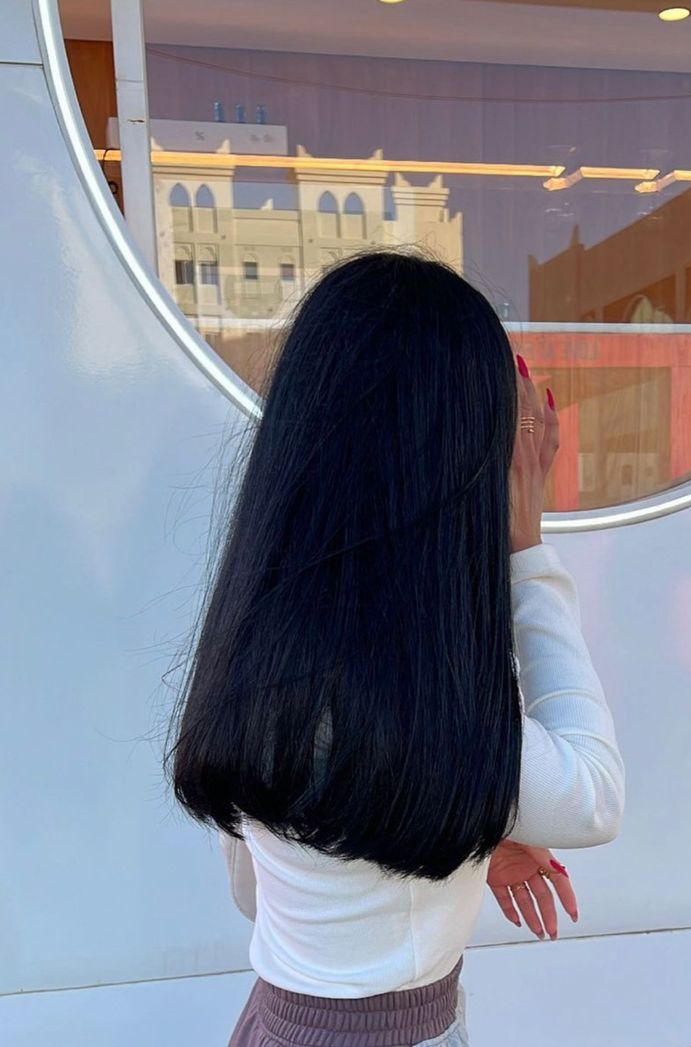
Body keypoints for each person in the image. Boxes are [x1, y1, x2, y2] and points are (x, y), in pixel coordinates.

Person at [166, 250, 625, 1046]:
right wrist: (528, 549)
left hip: (276, 1021)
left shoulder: (258, 663)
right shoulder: (436, 709)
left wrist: (461, 835)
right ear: (456, 478)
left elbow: (263, 893)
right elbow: (594, 791)